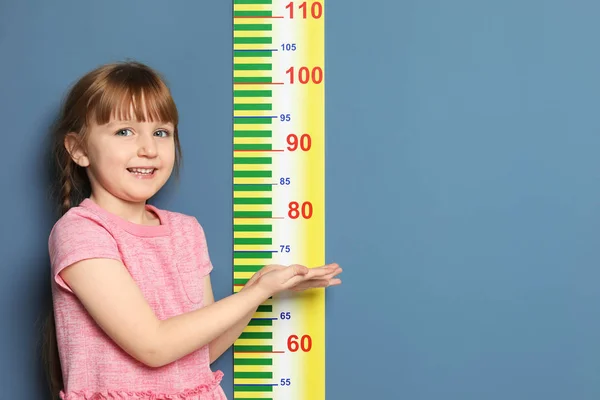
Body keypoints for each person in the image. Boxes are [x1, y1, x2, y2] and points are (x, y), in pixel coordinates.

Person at [40, 61, 342, 400]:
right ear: (79, 149)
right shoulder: (81, 232)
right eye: (124, 131)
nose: (149, 149)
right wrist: (251, 295)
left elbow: (202, 351)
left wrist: (260, 290)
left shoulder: (186, 232)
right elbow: (153, 346)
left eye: (161, 132)